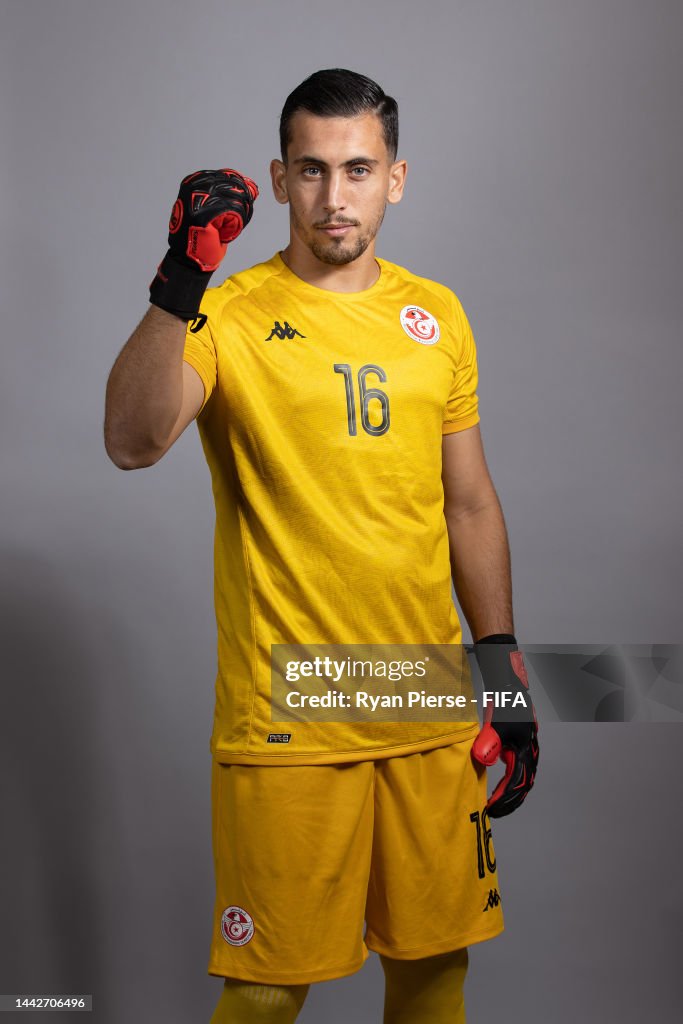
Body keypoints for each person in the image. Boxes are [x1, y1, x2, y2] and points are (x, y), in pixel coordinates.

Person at [104, 68, 539, 1024]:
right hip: (291, 705)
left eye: (356, 168)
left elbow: (466, 504)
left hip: (421, 692)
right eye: (310, 170)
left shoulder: (438, 315)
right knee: (265, 990)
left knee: (434, 973)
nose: (332, 196)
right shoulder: (230, 309)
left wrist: (500, 672)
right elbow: (132, 443)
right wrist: (180, 279)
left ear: (396, 177)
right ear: (280, 174)